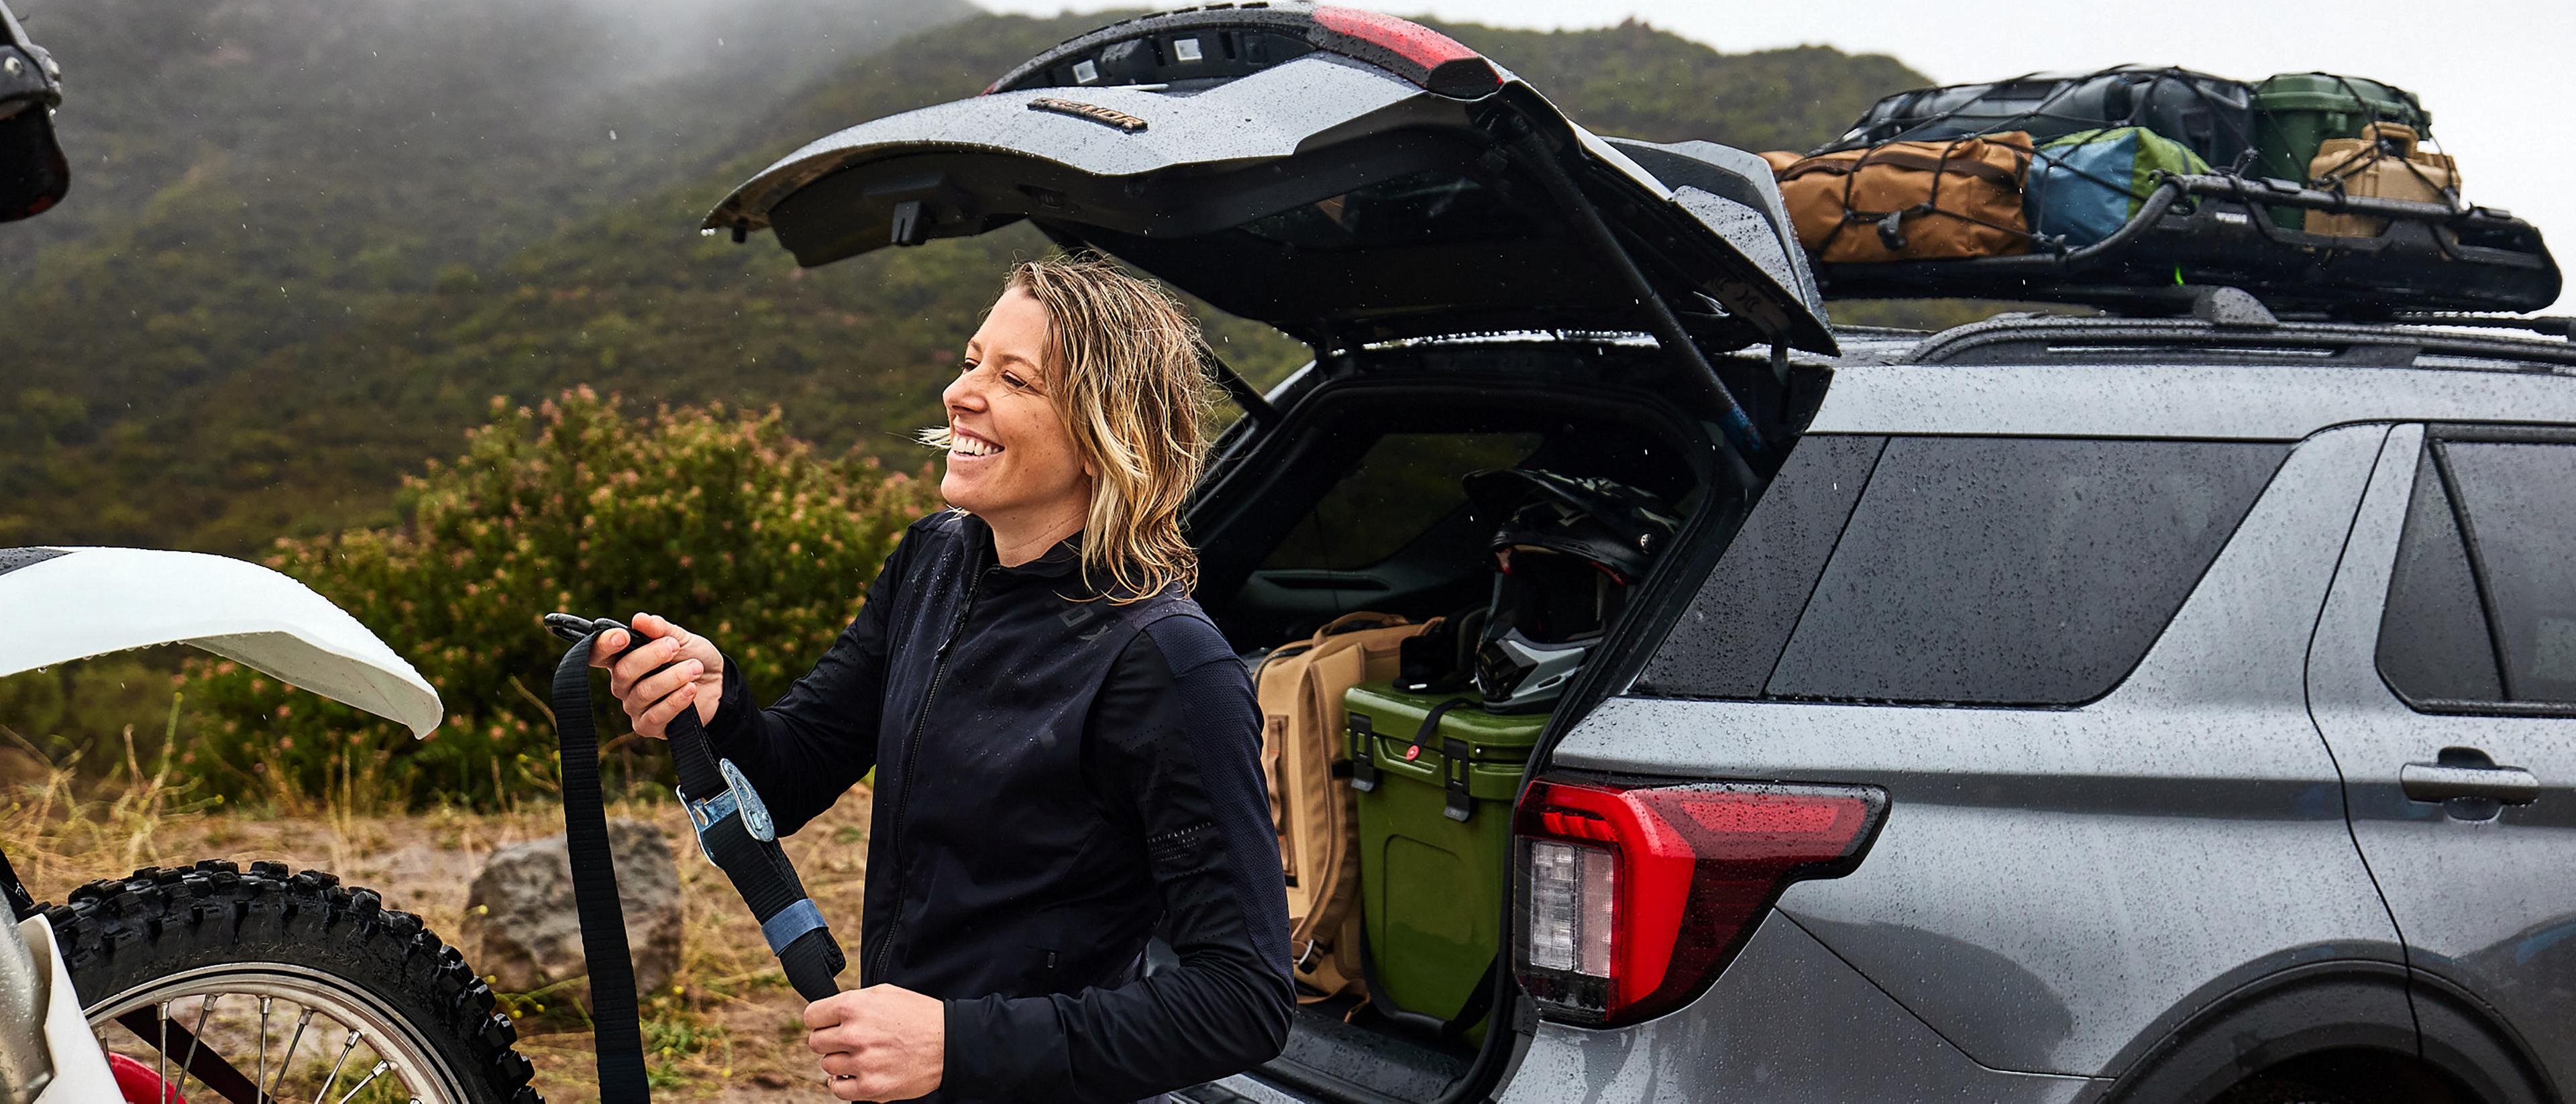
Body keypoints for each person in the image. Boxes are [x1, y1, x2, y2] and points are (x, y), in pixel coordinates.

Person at [590, 256, 1292, 1103]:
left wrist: (958, 1043)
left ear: (1108, 431)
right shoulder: (937, 558)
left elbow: (1244, 999)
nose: (962, 393)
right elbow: (791, 770)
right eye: (970, 362)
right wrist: (717, 704)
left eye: (1014, 377)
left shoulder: (1171, 664)